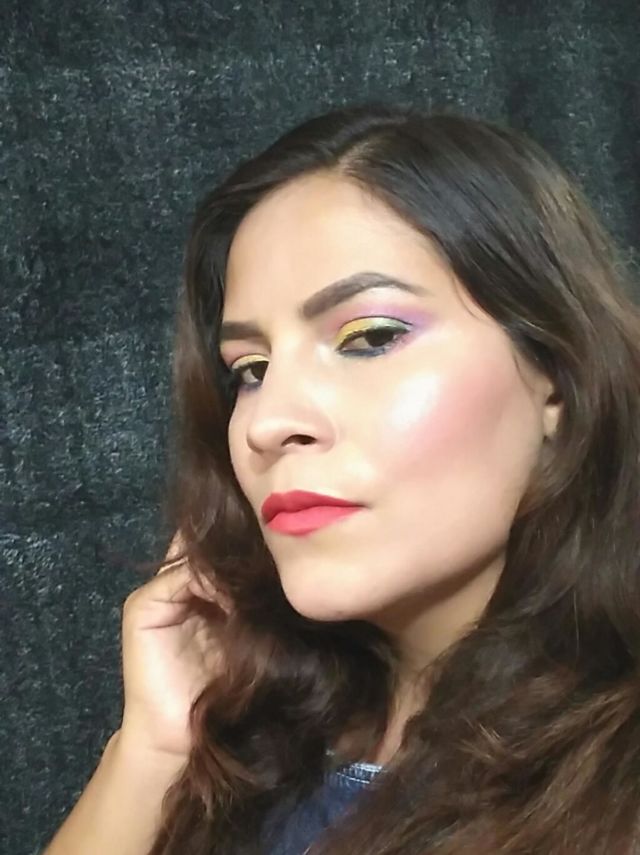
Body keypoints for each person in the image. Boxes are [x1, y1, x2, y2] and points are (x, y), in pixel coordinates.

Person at [44, 101, 640, 855]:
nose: (267, 421)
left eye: (370, 337)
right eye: (249, 370)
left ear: (557, 376)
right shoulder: (266, 733)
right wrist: (152, 750)